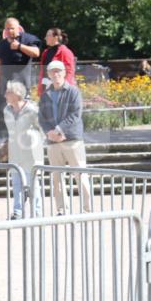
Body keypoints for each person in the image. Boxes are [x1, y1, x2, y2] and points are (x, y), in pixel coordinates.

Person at [38, 60, 92, 214]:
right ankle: (62, 209)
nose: (55, 74)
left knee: (80, 175)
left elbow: (75, 114)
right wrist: (49, 132)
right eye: (52, 71)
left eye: (58, 71)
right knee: (57, 178)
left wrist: (59, 130)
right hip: (53, 141)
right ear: (48, 74)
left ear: (64, 73)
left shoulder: (73, 91)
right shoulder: (45, 95)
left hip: (71, 139)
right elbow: (41, 117)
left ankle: (87, 209)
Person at [1, 81, 44, 219]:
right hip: (14, 151)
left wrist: (35, 141)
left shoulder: (32, 110)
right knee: (16, 182)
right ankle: (17, 211)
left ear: (16, 95)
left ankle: (36, 212)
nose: (5, 94)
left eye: (8, 92)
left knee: (33, 184)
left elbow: (42, 129)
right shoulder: (6, 110)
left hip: (31, 152)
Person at [0, 17, 41, 131]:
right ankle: (9, 139)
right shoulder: (2, 44)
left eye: (12, 28)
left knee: (24, 115)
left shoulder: (28, 38)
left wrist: (19, 46)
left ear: (18, 28)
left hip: (22, 87)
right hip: (6, 87)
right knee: (7, 116)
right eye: (7, 29)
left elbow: (36, 53)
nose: (10, 31)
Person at [37, 28, 76, 97]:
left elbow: (69, 72)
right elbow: (43, 72)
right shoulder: (45, 52)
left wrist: (63, 88)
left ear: (55, 38)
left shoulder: (65, 52)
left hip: (60, 90)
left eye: (47, 35)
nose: (45, 38)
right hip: (47, 88)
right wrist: (41, 88)